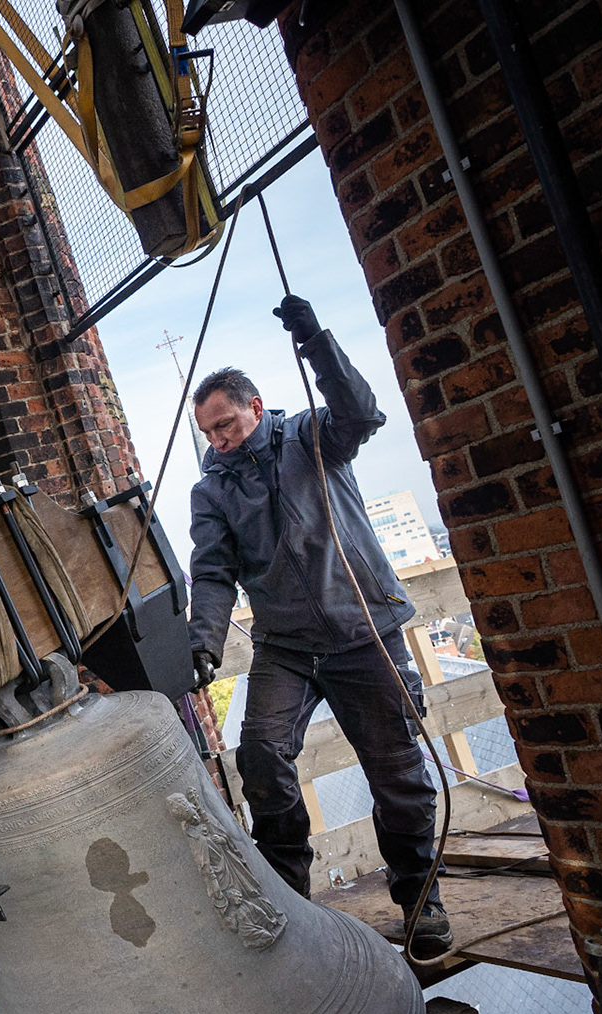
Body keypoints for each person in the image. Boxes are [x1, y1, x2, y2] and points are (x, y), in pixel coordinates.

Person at [185, 294, 451, 957]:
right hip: (287, 647)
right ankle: (289, 903)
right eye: (209, 433)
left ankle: (422, 902)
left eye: (226, 424)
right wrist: (202, 645)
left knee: (399, 777)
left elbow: (362, 411)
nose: (219, 440)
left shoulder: (313, 437)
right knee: (261, 759)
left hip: (364, 633)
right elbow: (213, 573)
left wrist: (315, 338)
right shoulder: (211, 491)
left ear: (256, 407)